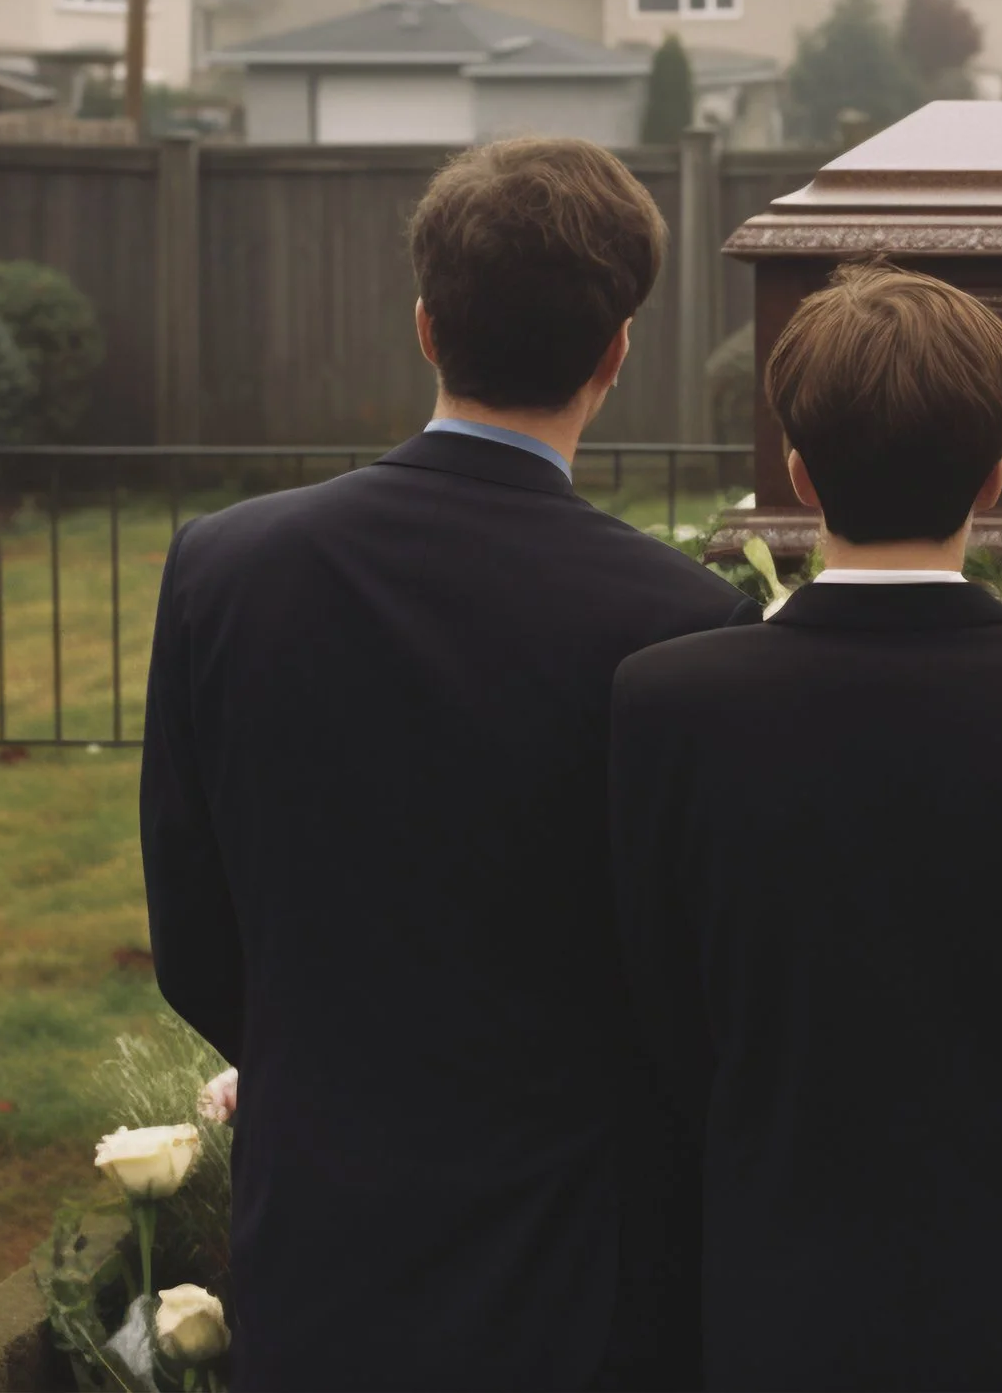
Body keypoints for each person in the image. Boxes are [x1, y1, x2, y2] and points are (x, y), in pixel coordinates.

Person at [138, 138, 757, 1389]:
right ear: (617, 352)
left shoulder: (226, 567)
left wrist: (325, 1066)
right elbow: (699, 969)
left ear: (427, 326)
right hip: (585, 1250)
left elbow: (191, 921)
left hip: (324, 1228)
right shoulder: (683, 620)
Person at [609, 263, 1002, 1391]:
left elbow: (666, 1009)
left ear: (799, 473)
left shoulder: (670, 701)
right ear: (997, 481)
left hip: (783, 1272)